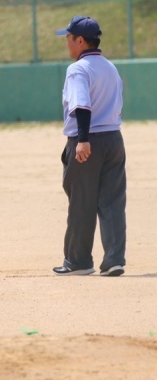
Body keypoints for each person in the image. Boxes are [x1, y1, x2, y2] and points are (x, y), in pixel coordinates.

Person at [53, 16, 126, 277]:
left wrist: (83, 140)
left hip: (88, 141)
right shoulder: (110, 67)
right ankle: (114, 260)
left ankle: (78, 261)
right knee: (112, 202)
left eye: (69, 37)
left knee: (82, 202)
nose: (67, 42)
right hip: (114, 140)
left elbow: (82, 106)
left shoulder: (78, 69)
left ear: (80, 41)